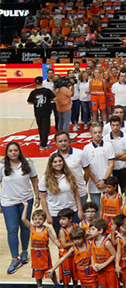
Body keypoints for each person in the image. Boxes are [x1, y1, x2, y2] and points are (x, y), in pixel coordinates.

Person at [0, 142, 39, 274]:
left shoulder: (27, 162)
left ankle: (24, 252)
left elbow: (34, 180)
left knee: (25, 227)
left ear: (19, 151)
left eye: (15, 150)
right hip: (8, 202)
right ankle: (14, 258)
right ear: (7, 152)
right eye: (10, 151)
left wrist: (37, 196)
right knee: (12, 230)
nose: (13, 153)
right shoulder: (1, 165)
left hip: (25, 200)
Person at [38, 153, 83, 233]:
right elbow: (43, 199)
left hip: (72, 210)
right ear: (51, 164)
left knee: (77, 236)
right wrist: (48, 215)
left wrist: (79, 209)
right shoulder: (44, 179)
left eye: (60, 161)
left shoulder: (70, 175)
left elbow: (76, 194)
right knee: (61, 238)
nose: (58, 163)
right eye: (55, 162)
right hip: (56, 213)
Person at [27, 76, 55, 150]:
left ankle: (42, 143)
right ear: (42, 81)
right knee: (45, 129)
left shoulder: (33, 92)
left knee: (40, 128)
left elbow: (29, 102)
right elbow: (54, 98)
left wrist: (35, 103)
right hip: (46, 112)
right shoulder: (47, 91)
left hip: (37, 113)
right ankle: (43, 145)